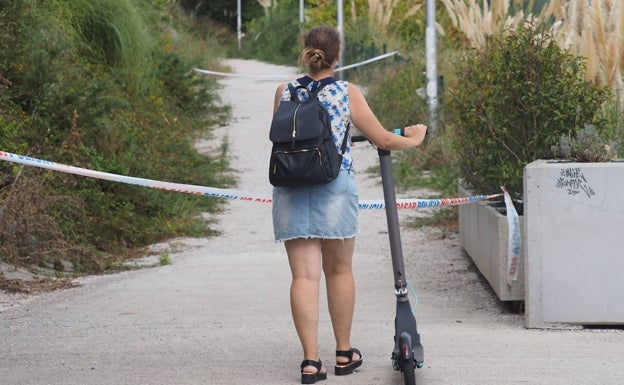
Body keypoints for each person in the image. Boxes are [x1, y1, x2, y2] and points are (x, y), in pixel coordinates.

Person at [271, 26, 427, 384]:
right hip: (334, 188)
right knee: (338, 271)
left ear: (306, 52)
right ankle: (343, 352)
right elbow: (383, 138)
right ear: (337, 56)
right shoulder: (346, 92)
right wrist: (415, 138)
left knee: (303, 276)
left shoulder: (285, 91)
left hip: (291, 188)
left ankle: (311, 363)